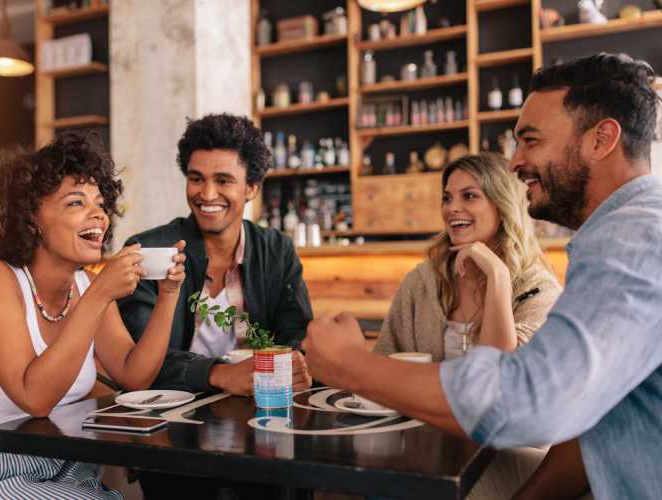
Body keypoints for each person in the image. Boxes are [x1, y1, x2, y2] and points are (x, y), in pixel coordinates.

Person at [303, 52, 662, 499]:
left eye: (531, 141)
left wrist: (353, 366)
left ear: (601, 138)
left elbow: (527, 401)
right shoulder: (622, 234)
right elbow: (594, 422)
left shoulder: (633, 239)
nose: (515, 163)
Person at [0, 133, 186, 499]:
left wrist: (168, 295)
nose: (98, 214)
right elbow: (34, 397)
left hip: (67, 466)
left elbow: (134, 374)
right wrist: (99, 295)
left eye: (100, 203)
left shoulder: (86, 284)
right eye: (76, 202)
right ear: (31, 218)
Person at [116, 113, 313, 499]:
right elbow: (139, 361)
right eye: (196, 178)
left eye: (223, 180)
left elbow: (296, 337)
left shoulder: (277, 251)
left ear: (252, 187)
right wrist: (221, 374)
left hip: (261, 421)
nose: (206, 194)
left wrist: (293, 364)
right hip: (172, 430)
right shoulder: (150, 252)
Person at [374, 152, 561, 362]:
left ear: (502, 207)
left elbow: (504, 374)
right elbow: (382, 363)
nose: (451, 208)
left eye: (469, 196)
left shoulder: (540, 291)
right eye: (446, 198)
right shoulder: (421, 282)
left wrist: (497, 274)